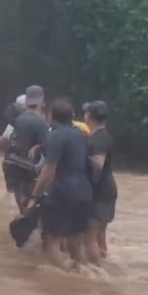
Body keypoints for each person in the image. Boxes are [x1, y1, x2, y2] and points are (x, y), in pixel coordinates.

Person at [26, 99, 94, 269]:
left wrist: (34, 196)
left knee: (51, 242)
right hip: (84, 192)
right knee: (75, 245)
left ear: (51, 116)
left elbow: (48, 172)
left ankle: (65, 281)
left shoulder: (54, 136)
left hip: (63, 194)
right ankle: (84, 277)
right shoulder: (81, 135)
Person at [0, 86, 49, 212]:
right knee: (35, 208)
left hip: (15, 167)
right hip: (32, 170)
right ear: (41, 101)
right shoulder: (41, 122)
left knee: (22, 204)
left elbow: (7, 141)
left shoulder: (18, 120)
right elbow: (48, 147)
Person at [84, 100, 117, 264]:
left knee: (89, 237)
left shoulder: (98, 139)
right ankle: (106, 264)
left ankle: (98, 274)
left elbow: (97, 166)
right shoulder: (104, 135)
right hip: (108, 189)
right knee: (99, 235)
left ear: (89, 116)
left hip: (100, 193)